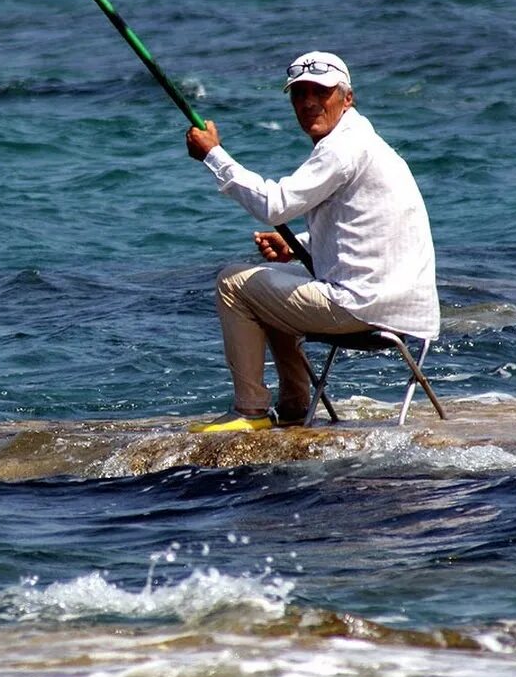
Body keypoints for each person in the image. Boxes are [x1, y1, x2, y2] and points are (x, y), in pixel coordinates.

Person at [185, 51, 439, 433]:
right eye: (298, 94)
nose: (308, 103)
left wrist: (214, 156)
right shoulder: (366, 143)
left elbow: (275, 205)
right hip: (400, 307)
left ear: (347, 97)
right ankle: (293, 406)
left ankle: (251, 410)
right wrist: (297, 244)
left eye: (320, 92)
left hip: (364, 307)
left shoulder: (343, 148)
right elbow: (365, 227)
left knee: (234, 282)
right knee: (270, 276)